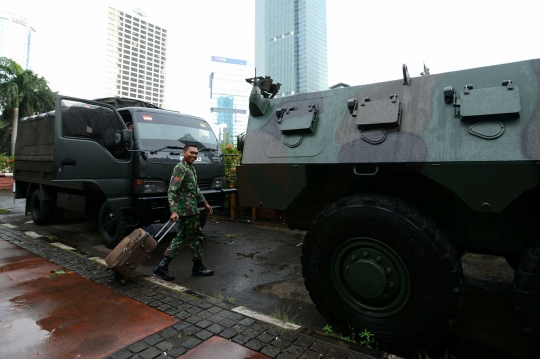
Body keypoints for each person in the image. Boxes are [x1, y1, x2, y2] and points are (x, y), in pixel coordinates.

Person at [153, 144, 214, 280]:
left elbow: (196, 189)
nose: (193, 155)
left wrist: (205, 203)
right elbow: (172, 190)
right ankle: (166, 266)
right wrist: (173, 211)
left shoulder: (190, 169)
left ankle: (167, 266)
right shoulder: (180, 168)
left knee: (189, 237)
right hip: (186, 211)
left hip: (192, 209)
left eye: (196, 154)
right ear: (184, 152)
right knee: (189, 238)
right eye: (191, 153)